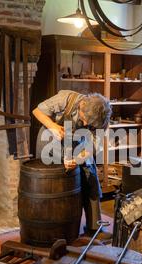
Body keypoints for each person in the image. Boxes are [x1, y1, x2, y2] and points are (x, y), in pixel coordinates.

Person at [32, 90, 112, 239]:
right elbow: (37, 111)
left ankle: (94, 228)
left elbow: (94, 146)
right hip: (51, 140)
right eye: (86, 119)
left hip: (78, 143)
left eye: (91, 124)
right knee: (53, 185)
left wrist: (79, 159)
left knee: (91, 178)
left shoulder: (101, 119)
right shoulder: (65, 99)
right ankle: (51, 230)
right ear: (82, 106)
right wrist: (53, 126)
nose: (87, 124)